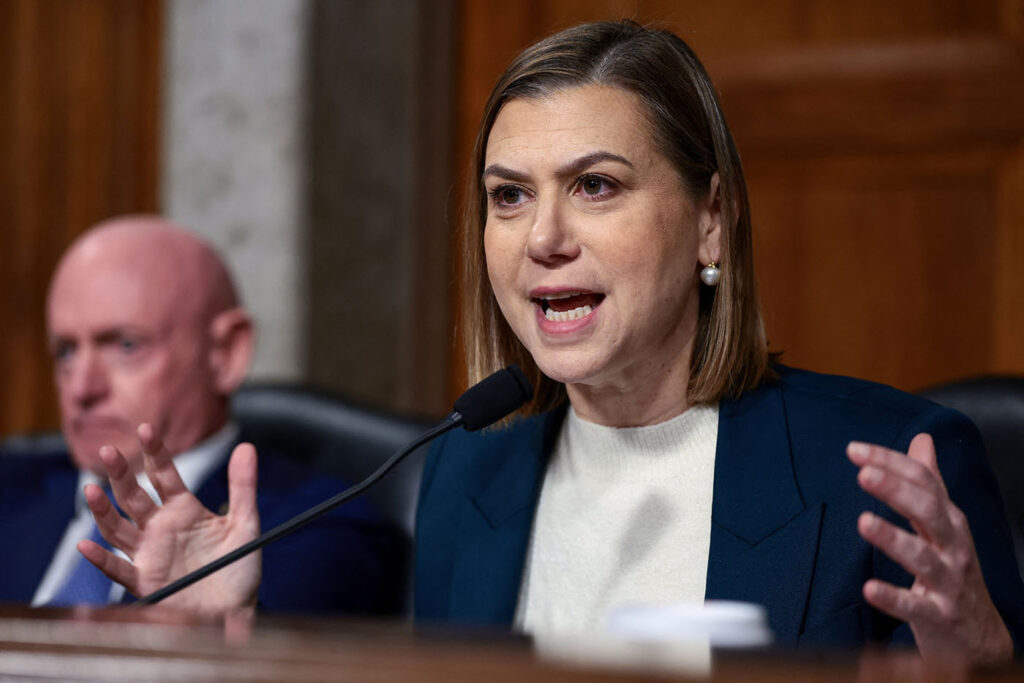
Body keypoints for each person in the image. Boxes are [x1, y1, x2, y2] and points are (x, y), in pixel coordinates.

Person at [80, 23, 1022, 664]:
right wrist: (212, 646)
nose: (543, 238)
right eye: (509, 195)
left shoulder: (888, 467)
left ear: (710, 222)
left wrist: (986, 672)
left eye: (598, 186)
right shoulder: (468, 476)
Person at [0, 216, 406, 615]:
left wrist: (227, 623)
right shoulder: (10, 488)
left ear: (225, 353)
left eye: (125, 345)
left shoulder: (317, 524)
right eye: (66, 352)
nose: (82, 388)